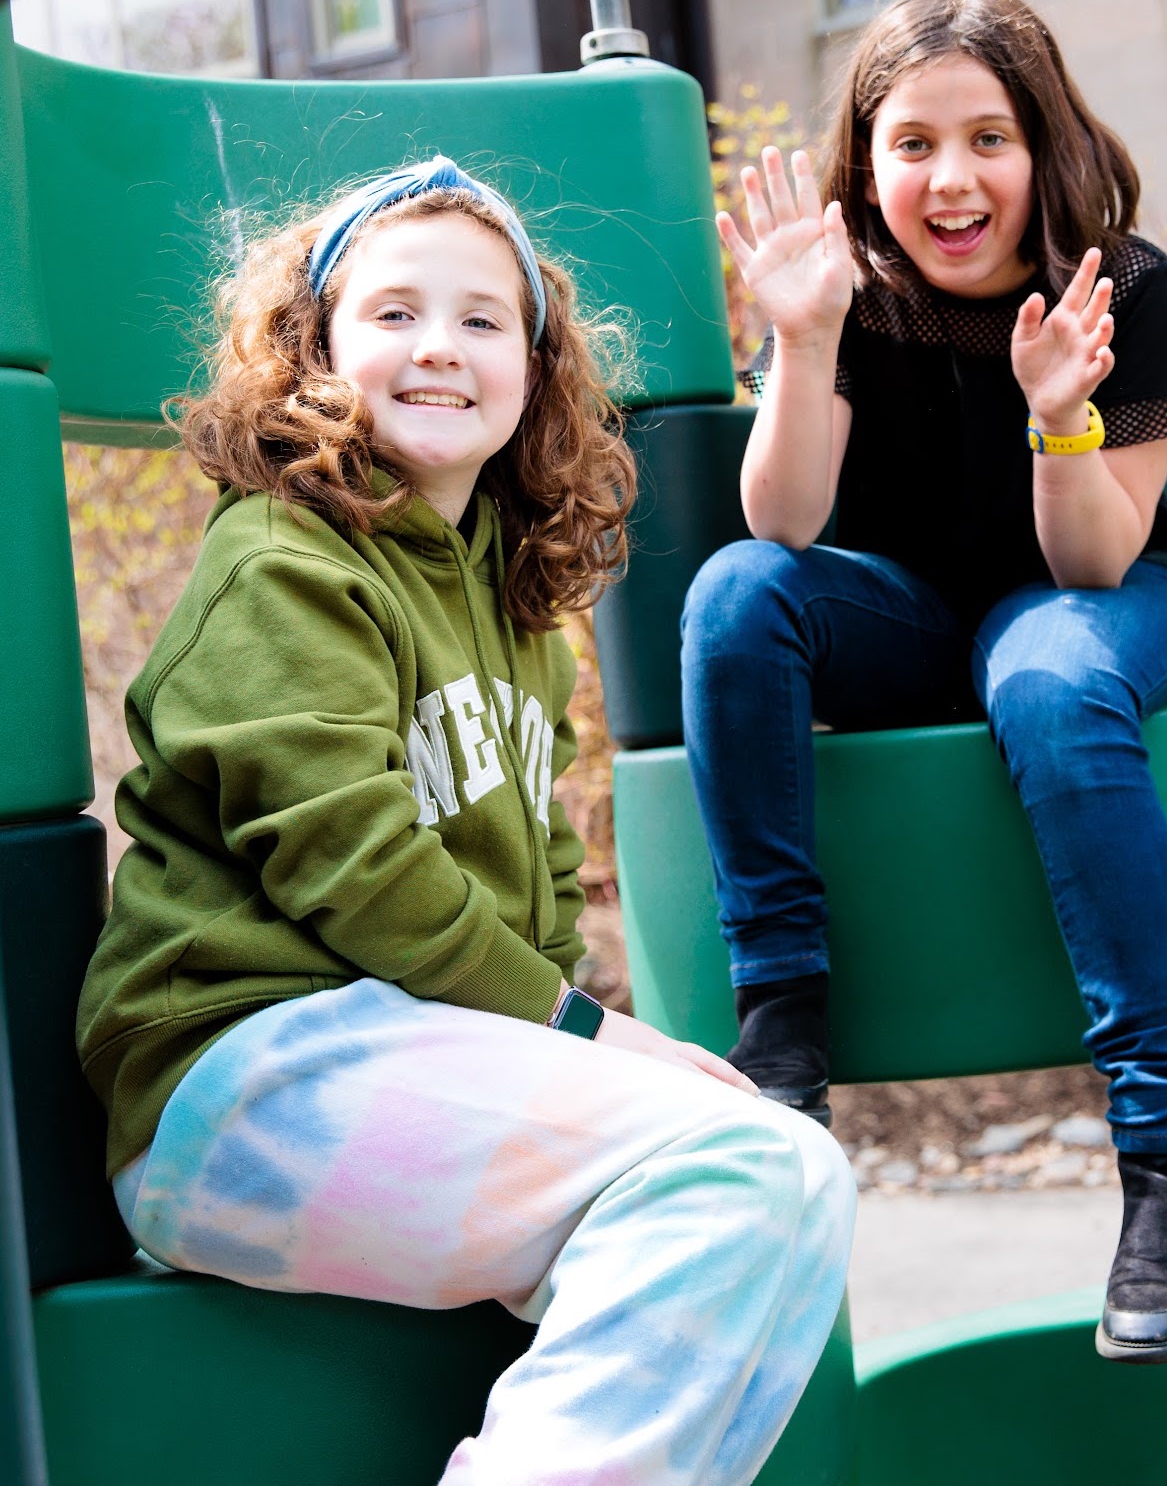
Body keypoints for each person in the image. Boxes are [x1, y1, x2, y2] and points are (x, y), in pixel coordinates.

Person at [77, 155, 855, 1485]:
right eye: (392, 313)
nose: (439, 346)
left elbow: (536, 877)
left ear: (535, 370)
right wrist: (586, 1033)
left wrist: (598, 1036)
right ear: (312, 349)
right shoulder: (282, 560)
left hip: (399, 1062)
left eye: (482, 319)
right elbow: (353, 864)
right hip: (236, 1076)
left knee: (785, 1169)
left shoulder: (509, 601)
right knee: (733, 1166)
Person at [681, 0, 1167, 1366]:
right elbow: (784, 526)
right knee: (731, 594)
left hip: (1098, 597)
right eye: (910, 141)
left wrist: (1061, 417)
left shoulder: (1132, 285)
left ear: (1041, 143)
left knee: (1048, 678)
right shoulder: (847, 296)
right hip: (911, 618)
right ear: (865, 165)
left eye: (985, 136)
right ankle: (783, 1022)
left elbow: (1093, 561)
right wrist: (798, 342)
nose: (950, 176)